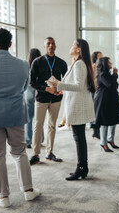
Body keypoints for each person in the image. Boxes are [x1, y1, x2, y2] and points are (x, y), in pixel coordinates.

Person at [0, 28, 41, 208]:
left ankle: (4, 197)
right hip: (16, 113)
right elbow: (25, 88)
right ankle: (28, 191)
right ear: (10, 44)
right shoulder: (23, 65)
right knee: (19, 152)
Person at [46, 38, 95, 180]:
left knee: (79, 138)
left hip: (78, 106)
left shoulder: (79, 64)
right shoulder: (76, 63)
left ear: (78, 49)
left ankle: (81, 168)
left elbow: (79, 86)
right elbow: (75, 86)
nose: (70, 46)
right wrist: (60, 88)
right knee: (79, 137)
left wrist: (59, 84)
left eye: (73, 44)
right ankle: (82, 167)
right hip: (75, 103)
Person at [29, 37, 68, 165]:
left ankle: (49, 153)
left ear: (55, 46)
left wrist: (61, 89)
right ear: (44, 46)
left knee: (52, 126)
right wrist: (46, 89)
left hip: (56, 98)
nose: (51, 46)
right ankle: (35, 154)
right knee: (38, 125)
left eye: (53, 43)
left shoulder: (61, 63)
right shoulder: (37, 62)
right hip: (41, 98)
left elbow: (66, 81)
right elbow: (32, 82)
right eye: (48, 44)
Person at [94, 57, 119, 152]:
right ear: (105, 64)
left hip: (111, 100)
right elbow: (110, 85)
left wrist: (114, 75)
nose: (111, 63)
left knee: (113, 120)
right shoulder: (102, 74)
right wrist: (115, 75)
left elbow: (115, 85)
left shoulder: (108, 74)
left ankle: (110, 139)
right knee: (105, 122)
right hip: (103, 101)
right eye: (109, 62)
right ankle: (103, 143)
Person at [24, 48, 45, 148]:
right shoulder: (41, 66)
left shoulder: (26, 67)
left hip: (28, 93)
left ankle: (28, 141)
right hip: (39, 93)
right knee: (39, 119)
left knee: (28, 119)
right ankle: (39, 140)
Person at [90, 51, 103, 139]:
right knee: (95, 110)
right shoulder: (93, 66)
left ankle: (96, 130)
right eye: (99, 57)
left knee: (97, 110)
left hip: (98, 90)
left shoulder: (100, 66)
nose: (101, 58)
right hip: (94, 90)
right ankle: (95, 130)